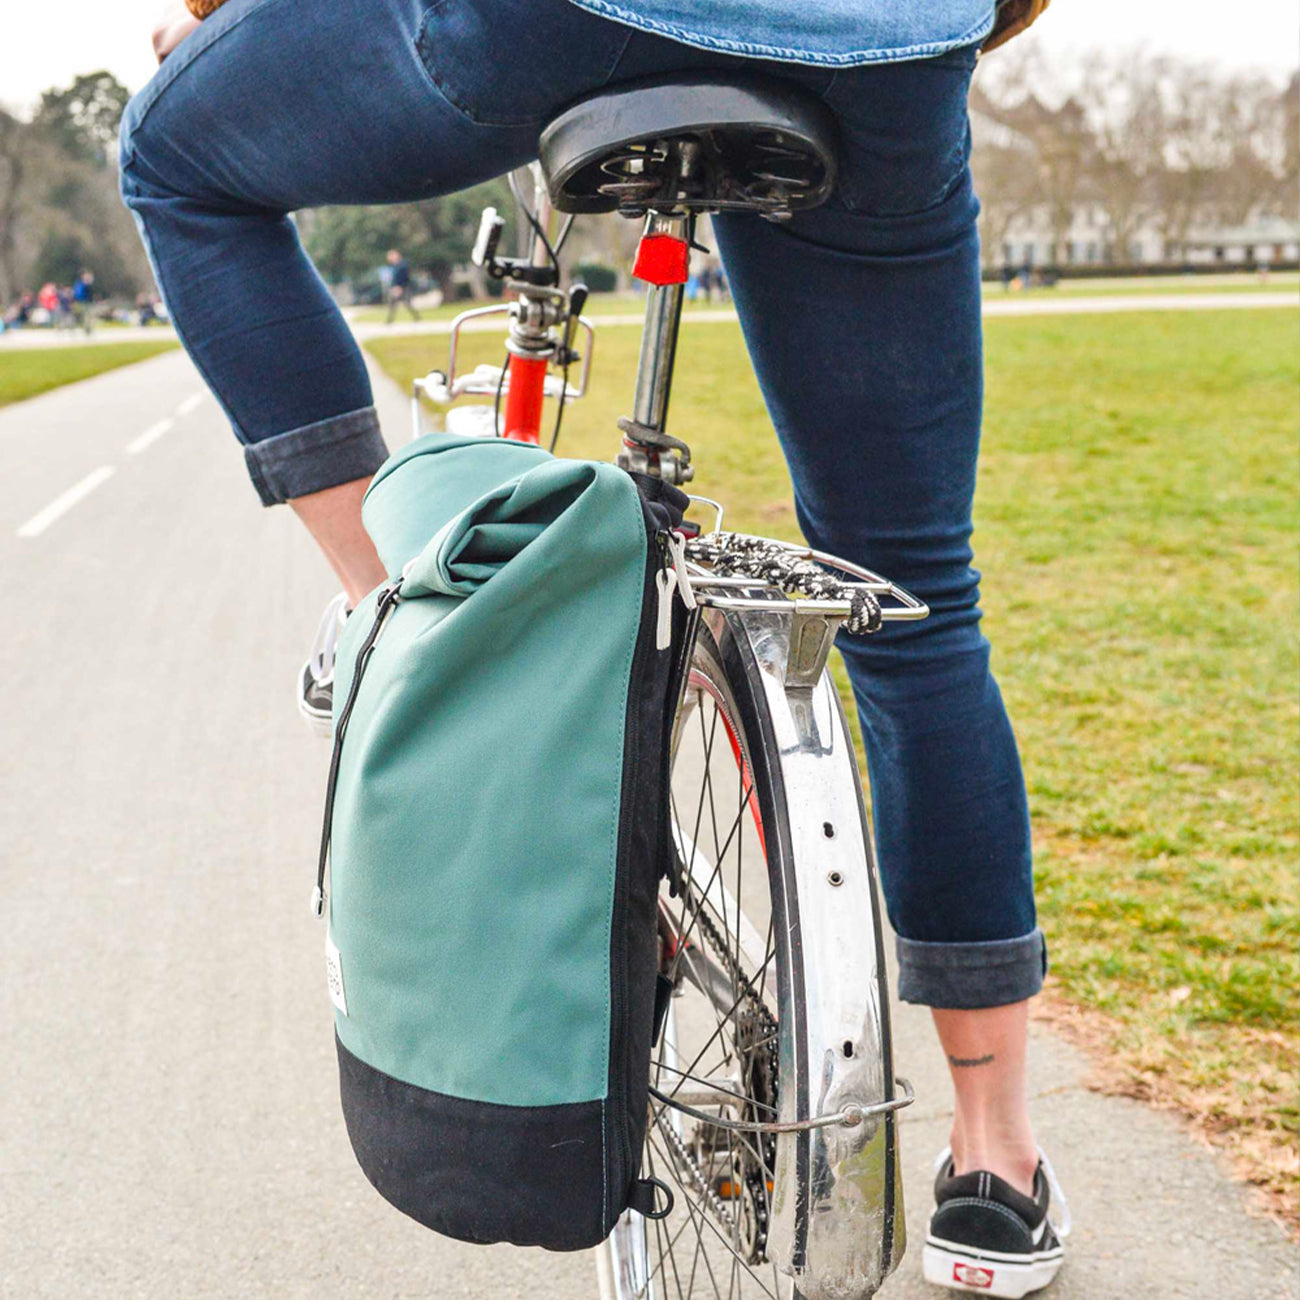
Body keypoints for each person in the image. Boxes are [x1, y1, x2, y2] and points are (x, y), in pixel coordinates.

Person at [123, 0, 1066, 1291]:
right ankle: (994, 1169)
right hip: (878, 44)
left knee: (174, 161)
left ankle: (395, 611)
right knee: (913, 602)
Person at [383, 248, 420, 324]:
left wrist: (399, 287)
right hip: (397, 287)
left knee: (406, 302)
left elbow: (404, 277)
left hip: (402, 287)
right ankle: (390, 320)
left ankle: (416, 317)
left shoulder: (402, 265)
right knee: (394, 303)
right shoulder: (395, 266)